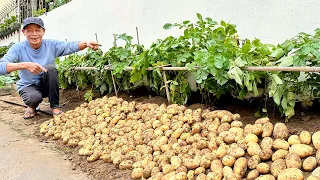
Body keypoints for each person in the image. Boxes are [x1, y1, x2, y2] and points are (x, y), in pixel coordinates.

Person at [0, 17, 100, 119]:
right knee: (33, 98)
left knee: (50, 68)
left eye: (38, 30)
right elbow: (1, 66)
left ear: (43, 31)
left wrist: (86, 44)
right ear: (23, 32)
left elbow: (68, 46)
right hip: (28, 86)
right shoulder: (18, 48)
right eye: (30, 31)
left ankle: (55, 107)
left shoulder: (51, 45)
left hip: (47, 85)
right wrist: (25, 65)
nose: (34, 34)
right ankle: (32, 107)